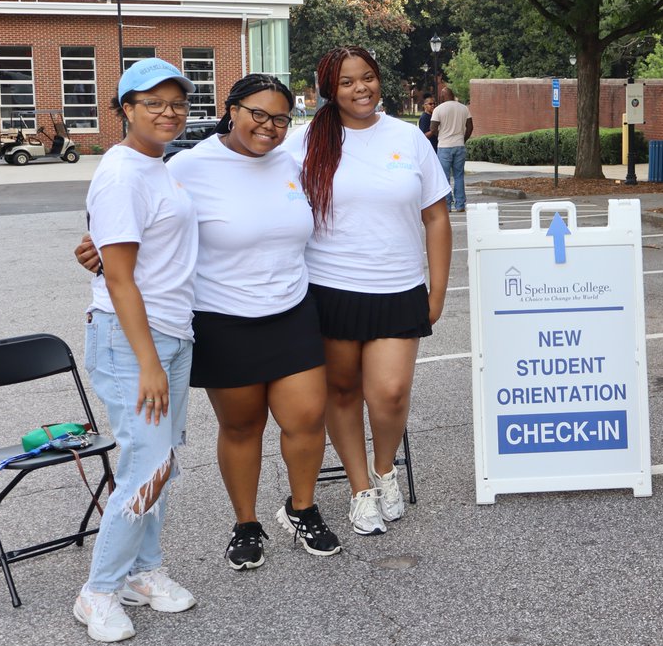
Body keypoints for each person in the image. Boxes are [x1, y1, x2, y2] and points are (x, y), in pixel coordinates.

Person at [76, 74, 342, 569]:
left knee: (306, 419)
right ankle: (246, 523)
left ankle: (302, 509)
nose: (268, 126)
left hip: (291, 309)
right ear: (232, 110)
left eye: (281, 117)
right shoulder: (188, 165)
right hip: (222, 317)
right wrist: (95, 250)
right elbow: (128, 219)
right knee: (242, 426)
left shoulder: (293, 161)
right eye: (257, 114)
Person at [284, 46, 452, 537]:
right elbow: (240, 180)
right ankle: (360, 489)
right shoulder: (303, 143)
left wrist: (436, 292)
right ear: (328, 92)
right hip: (328, 288)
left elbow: (437, 217)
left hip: (398, 287)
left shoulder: (408, 138)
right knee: (341, 391)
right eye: (347, 82)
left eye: (368, 78)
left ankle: (385, 471)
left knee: (390, 393)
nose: (361, 89)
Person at [76, 58, 199, 642]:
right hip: (134, 342)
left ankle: (143, 573)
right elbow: (119, 279)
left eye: (177, 103)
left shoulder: (163, 167)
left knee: (161, 464)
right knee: (145, 467)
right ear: (126, 108)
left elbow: (119, 245)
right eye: (153, 103)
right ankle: (98, 591)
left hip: (173, 332)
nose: (168, 113)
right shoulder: (122, 172)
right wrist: (148, 361)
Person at [430, 87, 473, 212]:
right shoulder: (464, 108)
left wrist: (441, 137)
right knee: (459, 176)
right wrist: (463, 139)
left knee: (444, 177)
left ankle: (447, 205)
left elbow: (433, 128)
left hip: (444, 146)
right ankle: (460, 205)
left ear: (443, 97)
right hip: (459, 145)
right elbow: (470, 127)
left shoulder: (438, 109)